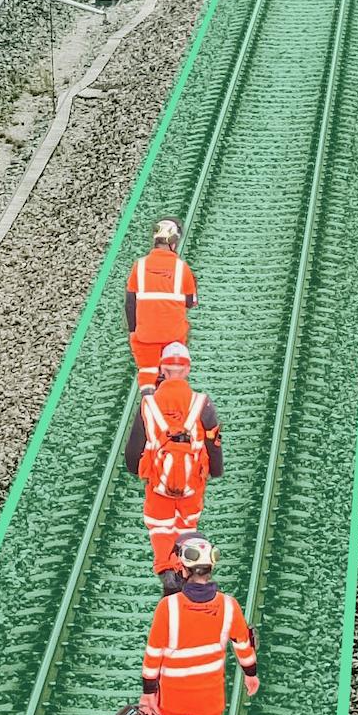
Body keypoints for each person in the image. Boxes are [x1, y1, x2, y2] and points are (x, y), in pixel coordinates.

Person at [140, 535, 259, 715]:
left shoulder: (167, 608)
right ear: (210, 568)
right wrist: (251, 674)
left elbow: (153, 654)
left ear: (182, 568)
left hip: (173, 697)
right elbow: (243, 644)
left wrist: (148, 692)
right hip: (209, 699)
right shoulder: (229, 606)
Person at [125, 344, 222, 592]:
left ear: (162, 369)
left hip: (158, 483)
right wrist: (216, 470)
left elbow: (134, 447)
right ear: (187, 369)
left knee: (160, 527)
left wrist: (137, 469)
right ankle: (183, 569)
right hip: (192, 483)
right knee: (186, 526)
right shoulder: (202, 403)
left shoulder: (149, 405)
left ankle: (166, 570)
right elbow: (214, 440)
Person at [126, 218, 197, 390]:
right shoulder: (182, 268)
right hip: (173, 337)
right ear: (174, 242)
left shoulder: (139, 266)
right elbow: (190, 302)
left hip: (146, 337)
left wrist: (135, 332)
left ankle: (147, 396)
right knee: (174, 373)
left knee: (146, 372)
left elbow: (130, 304)